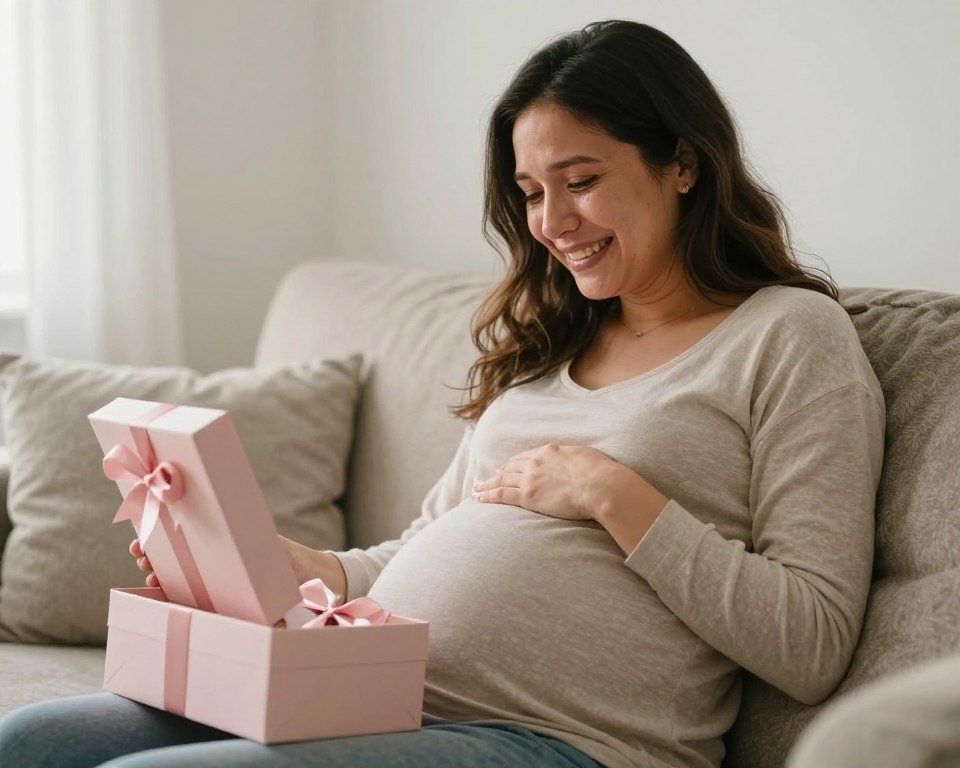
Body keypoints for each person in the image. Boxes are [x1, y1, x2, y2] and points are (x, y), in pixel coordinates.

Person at [0, 19, 884, 768]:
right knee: (32, 741)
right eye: (532, 193)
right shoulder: (551, 344)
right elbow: (421, 548)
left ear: (682, 163)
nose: (552, 224)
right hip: (363, 693)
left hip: (562, 741)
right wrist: (298, 567)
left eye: (581, 182)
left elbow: (811, 643)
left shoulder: (788, 335)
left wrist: (613, 493)